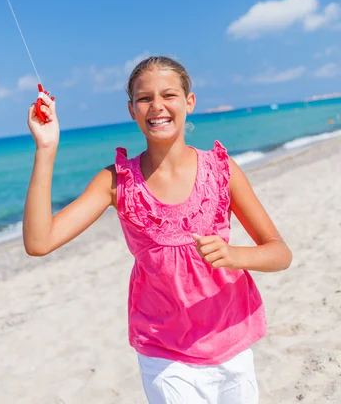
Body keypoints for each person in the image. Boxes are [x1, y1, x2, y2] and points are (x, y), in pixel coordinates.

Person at [24, 55, 292, 404]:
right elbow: (39, 242)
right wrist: (46, 148)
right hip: (164, 352)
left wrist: (234, 255)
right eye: (144, 98)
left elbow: (280, 253)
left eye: (169, 95)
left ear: (189, 102)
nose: (157, 106)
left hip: (231, 340)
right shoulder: (116, 182)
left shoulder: (221, 169)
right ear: (132, 109)